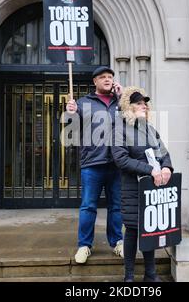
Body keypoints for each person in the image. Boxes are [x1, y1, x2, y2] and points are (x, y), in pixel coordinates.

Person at [111, 87, 173, 282]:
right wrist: (150, 170)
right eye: (138, 103)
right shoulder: (119, 129)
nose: (143, 106)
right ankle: (128, 276)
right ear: (128, 106)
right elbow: (121, 159)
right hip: (132, 188)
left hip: (152, 188)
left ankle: (150, 274)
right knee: (131, 230)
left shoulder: (150, 129)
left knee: (150, 230)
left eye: (145, 103)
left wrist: (166, 168)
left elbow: (164, 154)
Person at [66, 66, 124, 264]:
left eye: (110, 77)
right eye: (103, 77)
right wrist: (70, 113)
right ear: (95, 82)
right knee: (88, 206)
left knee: (116, 206)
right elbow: (71, 128)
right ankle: (84, 245)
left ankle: (117, 241)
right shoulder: (83, 103)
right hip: (92, 162)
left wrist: (123, 97)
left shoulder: (121, 102)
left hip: (117, 163)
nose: (107, 80)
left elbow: (135, 122)